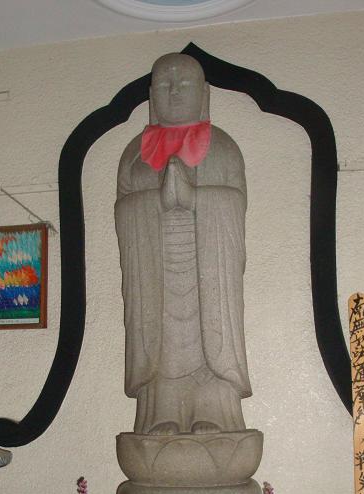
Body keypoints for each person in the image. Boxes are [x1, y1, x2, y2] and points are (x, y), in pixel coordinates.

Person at [115, 53, 252, 436]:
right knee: (162, 346)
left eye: (184, 85)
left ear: (204, 94)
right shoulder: (134, 153)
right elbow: (123, 211)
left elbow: (236, 205)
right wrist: (156, 202)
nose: (174, 92)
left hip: (208, 267)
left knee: (210, 338)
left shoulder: (222, 147)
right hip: (154, 270)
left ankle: (215, 414)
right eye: (164, 85)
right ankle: (161, 414)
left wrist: (194, 199)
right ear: (151, 96)